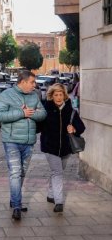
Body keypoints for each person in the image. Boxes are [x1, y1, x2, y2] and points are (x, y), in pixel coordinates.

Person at [0, 70, 47, 220]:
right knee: (15, 173)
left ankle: (14, 199)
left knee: (21, 173)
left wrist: (30, 113)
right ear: (23, 82)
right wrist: (21, 113)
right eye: (32, 82)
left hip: (29, 142)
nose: (34, 85)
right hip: (11, 141)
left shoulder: (34, 95)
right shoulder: (7, 95)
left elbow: (43, 114)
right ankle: (17, 206)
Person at [40, 83, 85, 213]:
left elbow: (82, 128)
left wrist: (74, 129)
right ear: (51, 96)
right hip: (50, 147)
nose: (58, 97)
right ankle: (58, 202)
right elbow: (38, 127)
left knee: (57, 172)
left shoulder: (71, 111)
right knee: (58, 173)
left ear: (64, 96)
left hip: (66, 148)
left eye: (61, 95)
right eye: (56, 95)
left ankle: (50, 194)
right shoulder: (46, 110)